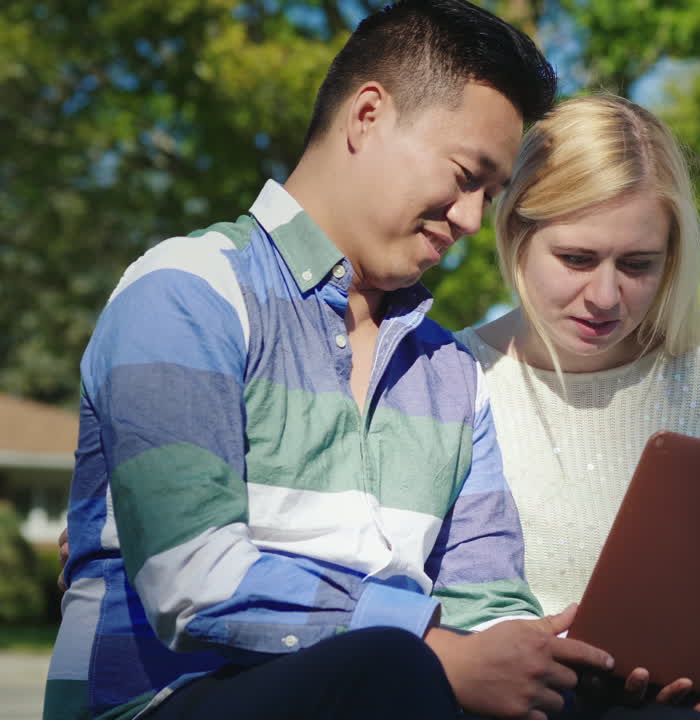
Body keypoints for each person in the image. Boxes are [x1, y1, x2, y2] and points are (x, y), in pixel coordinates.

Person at [44, 3, 619, 719]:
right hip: (167, 701)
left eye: (492, 196)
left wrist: (573, 666)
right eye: (467, 176)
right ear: (369, 115)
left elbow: (485, 604)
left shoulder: (450, 370)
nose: (473, 219)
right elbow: (194, 578)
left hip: (393, 687)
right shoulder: (188, 291)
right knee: (387, 668)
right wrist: (430, 645)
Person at [454, 94, 700, 710]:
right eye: (577, 259)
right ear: (516, 234)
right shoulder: (448, 378)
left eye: (638, 264)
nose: (606, 295)